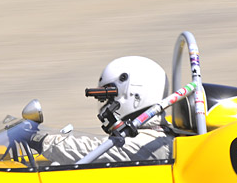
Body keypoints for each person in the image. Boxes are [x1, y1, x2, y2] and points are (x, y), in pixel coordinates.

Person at [29, 56, 173, 165]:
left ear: (135, 96)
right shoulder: (148, 134)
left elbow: (90, 150)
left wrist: (39, 140)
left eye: (109, 99)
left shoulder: (153, 143)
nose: (105, 106)